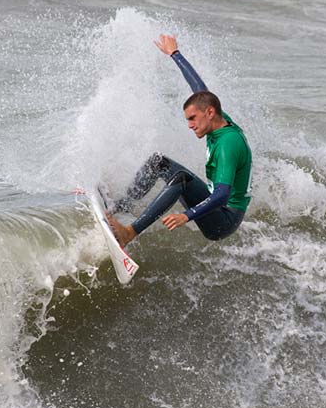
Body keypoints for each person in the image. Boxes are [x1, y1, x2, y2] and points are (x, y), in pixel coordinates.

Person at [105, 34, 252, 249]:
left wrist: (187, 215)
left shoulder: (227, 144)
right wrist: (175, 54)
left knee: (181, 179)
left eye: (193, 118)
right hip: (215, 205)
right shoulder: (219, 119)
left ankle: (129, 232)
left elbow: (222, 195)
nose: (190, 125)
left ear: (210, 113)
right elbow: (199, 89)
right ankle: (121, 206)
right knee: (159, 162)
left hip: (223, 220)